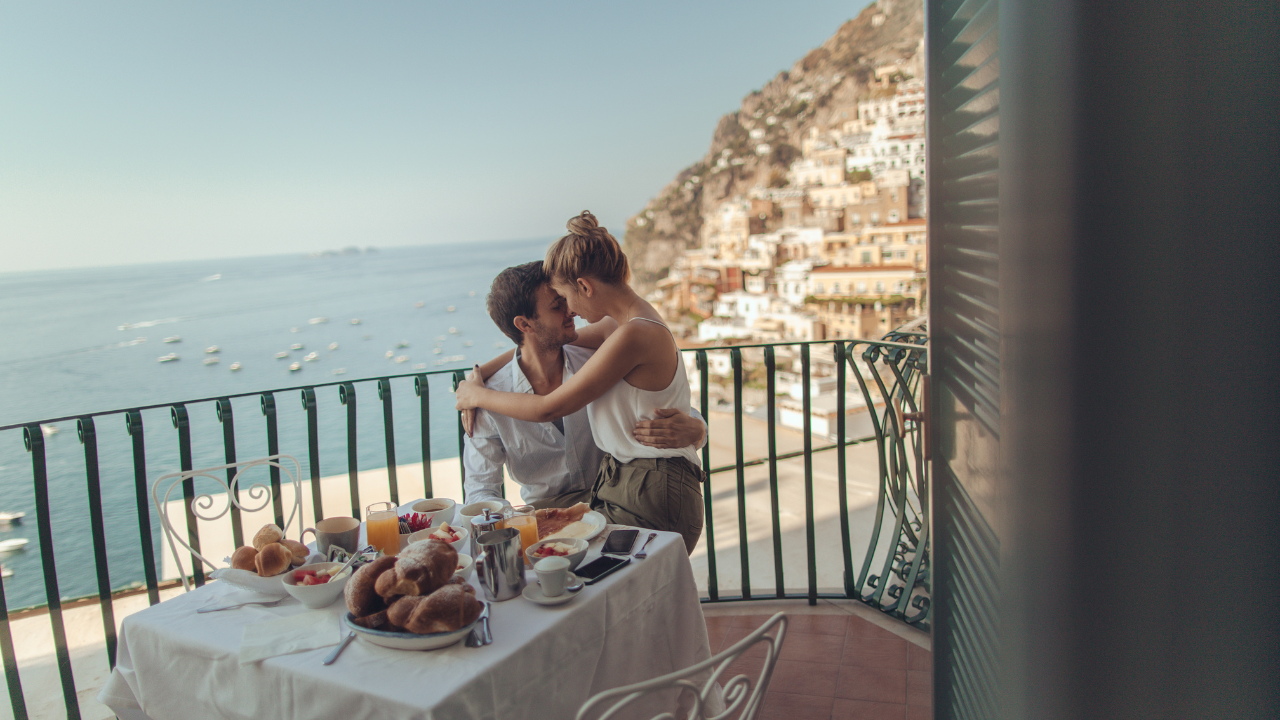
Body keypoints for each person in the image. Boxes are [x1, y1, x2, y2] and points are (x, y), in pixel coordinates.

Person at [456, 211, 705, 552]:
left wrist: (477, 395)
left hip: (650, 487)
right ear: (524, 325)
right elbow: (544, 343)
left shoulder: (627, 336)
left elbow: (547, 407)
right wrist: (481, 375)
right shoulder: (617, 329)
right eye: (559, 304)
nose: (570, 310)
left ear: (584, 286)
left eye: (565, 298)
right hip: (628, 487)